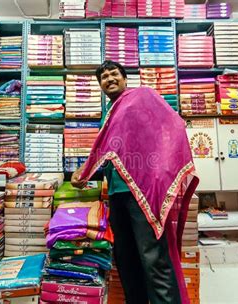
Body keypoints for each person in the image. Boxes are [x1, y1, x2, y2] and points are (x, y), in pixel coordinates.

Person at [71, 60, 199, 304]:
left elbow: (173, 125)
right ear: (100, 85)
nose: (109, 79)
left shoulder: (141, 98)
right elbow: (105, 154)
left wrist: (160, 172)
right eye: (104, 77)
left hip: (143, 195)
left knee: (153, 257)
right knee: (126, 258)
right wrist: (84, 172)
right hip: (117, 196)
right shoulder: (107, 116)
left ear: (125, 78)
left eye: (114, 74)